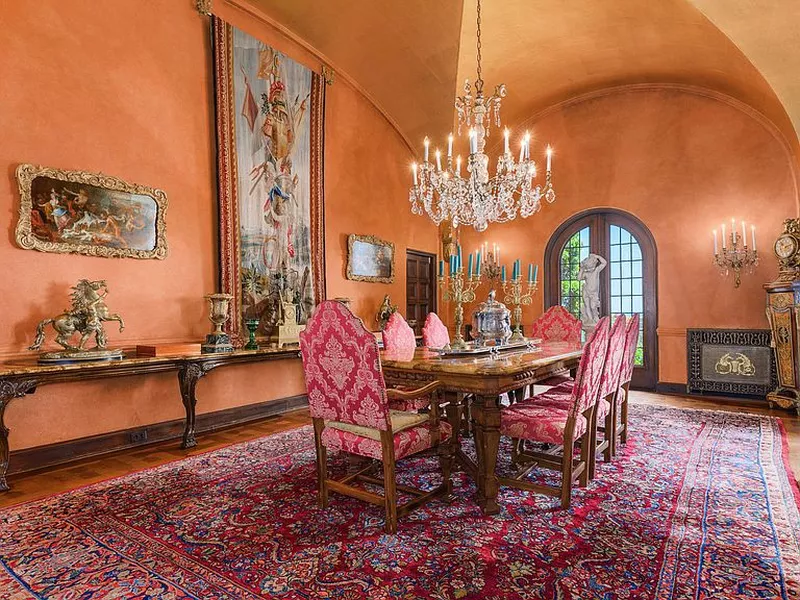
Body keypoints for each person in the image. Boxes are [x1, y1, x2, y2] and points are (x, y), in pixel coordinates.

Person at [577, 253, 607, 325]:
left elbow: (604, 263)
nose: (590, 269)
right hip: (586, 291)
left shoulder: (596, 271)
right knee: (587, 306)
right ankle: (590, 320)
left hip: (593, 293)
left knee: (593, 306)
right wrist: (581, 270)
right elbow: (578, 278)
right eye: (588, 267)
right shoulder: (586, 273)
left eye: (591, 266)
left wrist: (597, 256)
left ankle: (595, 318)